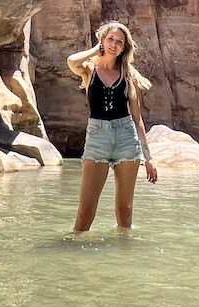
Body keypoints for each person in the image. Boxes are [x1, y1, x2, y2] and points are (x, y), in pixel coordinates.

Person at [66, 21, 158, 232]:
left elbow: (137, 118)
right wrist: (95, 50)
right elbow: (71, 61)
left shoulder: (128, 74)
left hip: (126, 139)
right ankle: (73, 254)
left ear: (125, 47)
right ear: (102, 41)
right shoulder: (89, 69)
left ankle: (124, 256)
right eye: (110, 39)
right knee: (85, 211)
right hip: (97, 138)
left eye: (119, 42)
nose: (114, 45)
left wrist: (149, 158)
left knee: (125, 210)